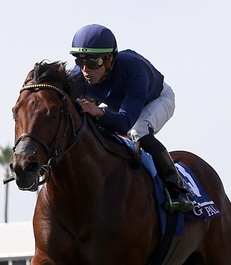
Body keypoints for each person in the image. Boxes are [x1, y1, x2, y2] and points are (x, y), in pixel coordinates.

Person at [69, 24, 193, 213]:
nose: (85, 70)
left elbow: (125, 122)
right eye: (80, 60)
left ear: (110, 59)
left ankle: (177, 189)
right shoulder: (80, 75)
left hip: (155, 100)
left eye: (94, 62)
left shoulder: (135, 71)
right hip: (120, 104)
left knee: (137, 132)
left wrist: (99, 112)